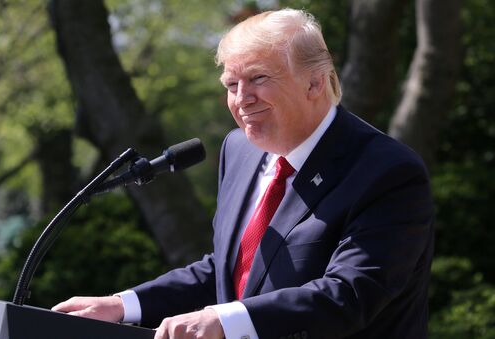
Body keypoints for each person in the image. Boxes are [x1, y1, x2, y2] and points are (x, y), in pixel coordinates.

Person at [52, 8, 434, 339]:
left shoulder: (386, 171)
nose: (241, 99)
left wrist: (226, 320)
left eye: (258, 79)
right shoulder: (239, 150)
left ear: (315, 82)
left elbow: (349, 294)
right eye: (232, 85)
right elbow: (229, 269)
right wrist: (123, 305)